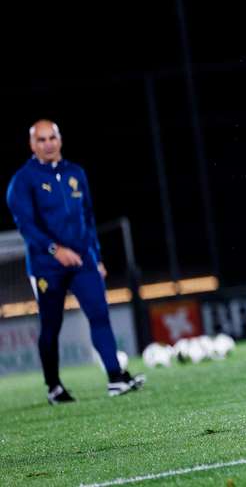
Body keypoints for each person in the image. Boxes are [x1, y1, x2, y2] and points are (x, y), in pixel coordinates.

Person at [6, 120, 145, 403]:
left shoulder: (75, 173)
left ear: (60, 139)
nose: (48, 144)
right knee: (51, 326)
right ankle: (54, 386)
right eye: (41, 140)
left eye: (52, 138)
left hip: (83, 261)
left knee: (99, 315)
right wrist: (54, 249)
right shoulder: (23, 180)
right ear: (32, 145)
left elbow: (89, 219)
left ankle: (115, 378)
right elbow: (26, 226)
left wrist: (97, 256)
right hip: (47, 266)